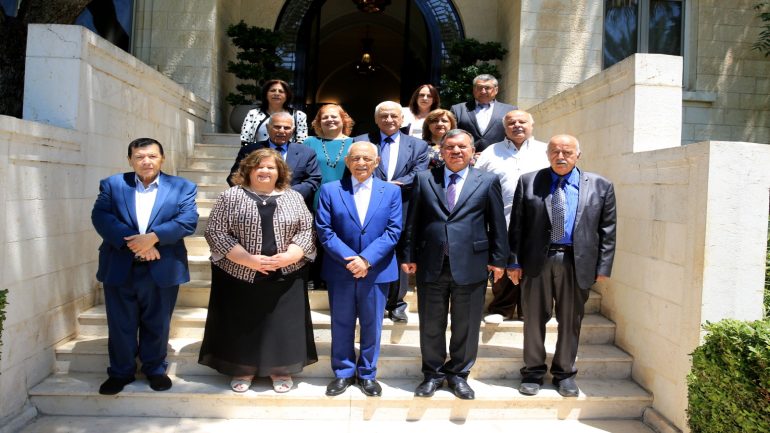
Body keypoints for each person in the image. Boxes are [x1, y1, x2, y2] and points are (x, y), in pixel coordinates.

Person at [400, 129, 508, 400]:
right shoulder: (425, 179)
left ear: (472, 151)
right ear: (441, 151)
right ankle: (433, 374)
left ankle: (459, 375)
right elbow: (413, 221)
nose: (456, 151)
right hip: (431, 262)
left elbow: (497, 223)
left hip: (471, 263)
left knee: (467, 325)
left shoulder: (487, 180)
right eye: (449, 147)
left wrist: (498, 260)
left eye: (462, 147)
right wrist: (408, 255)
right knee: (431, 324)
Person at [199, 148, 318, 394]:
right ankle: (243, 368)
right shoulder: (230, 196)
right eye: (259, 166)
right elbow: (215, 231)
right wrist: (248, 260)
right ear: (248, 170)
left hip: (286, 273)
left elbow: (307, 230)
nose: (265, 171)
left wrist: (291, 255)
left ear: (280, 172)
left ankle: (280, 369)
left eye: (270, 167)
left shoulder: (294, 197)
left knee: (282, 325)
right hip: (238, 274)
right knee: (243, 324)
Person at [507, 134, 616, 398]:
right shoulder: (529, 181)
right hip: (537, 261)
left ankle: (565, 374)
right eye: (555, 151)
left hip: (576, 262)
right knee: (533, 319)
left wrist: (603, 266)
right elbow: (517, 226)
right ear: (547, 154)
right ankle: (533, 372)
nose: (560, 157)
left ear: (578, 155)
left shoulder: (601, 185)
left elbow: (608, 229)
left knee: (570, 320)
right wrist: (514, 261)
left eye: (567, 152)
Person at [91, 138, 198, 395]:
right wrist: (138, 244)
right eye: (139, 157)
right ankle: (121, 372)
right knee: (120, 323)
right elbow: (101, 217)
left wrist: (154, 238)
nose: (146, 161)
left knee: (158, 323)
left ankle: (155, 369)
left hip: (163, 266)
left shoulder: (183, 187)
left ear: (162, 158)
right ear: (130, 160)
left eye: (152, 156)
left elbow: (187, 220)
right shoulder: (113, 184)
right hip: (120, 265)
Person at [315, 142, 402, 397]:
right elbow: (324, 230)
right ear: (347, 162)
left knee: (372, 325)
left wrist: (366, 260)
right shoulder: (330, 190)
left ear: (376, 162)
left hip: (376, 270)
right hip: (340, 269)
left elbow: (393, 230)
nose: (361, 163)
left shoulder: (391, 191)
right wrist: (351, 260)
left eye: (366, 158)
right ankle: (343, 372)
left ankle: (367, 374)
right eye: (355, 158)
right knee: (341, 323)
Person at [355, 101, 429, 323]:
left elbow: (419, 173)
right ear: (376, 119)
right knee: (368, 249)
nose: (389, 120)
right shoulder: (361, 141)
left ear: (402, 119)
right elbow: (356, 168)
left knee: (399, 253)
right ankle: (367, 301)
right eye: (384, 116)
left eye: (393, 116)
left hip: (403, 204)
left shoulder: (418, 145)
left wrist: (392, 186)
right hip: (366, 204)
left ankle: (396, 304)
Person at [474, 110, 549, 324]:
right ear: (504, 128)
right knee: (503, 263)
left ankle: (529, 309)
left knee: (534, 265)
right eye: (511, 122)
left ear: (531, 125)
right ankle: (502, 308)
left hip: (538, 221)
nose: (517, 125)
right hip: (501, 219)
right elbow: (477, 181)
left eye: (522, 121)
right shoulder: (491, 152)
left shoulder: (545, 150)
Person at [228, 112, 321, 210]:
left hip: (292, 207)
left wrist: (286, 194)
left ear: (293, 131)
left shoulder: (306, 152)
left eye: (286, 128)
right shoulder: (250, 151)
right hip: (255, 206)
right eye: (277, 127)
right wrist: (257, 194)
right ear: (268, 128)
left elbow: (313, 180)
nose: (281, 131)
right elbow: (235, 176)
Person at [450, 74, 517, 154]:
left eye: (487, 88)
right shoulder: (458, 109)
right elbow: (451, 135)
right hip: (466, 157)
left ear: (496, 90)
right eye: (479, 88)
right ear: (473, 90)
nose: (483, 91)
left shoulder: (510, 110)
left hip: (499, 156)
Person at [240, 79, 308, 144]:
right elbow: (245, 139)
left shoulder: (298, 115)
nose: (276, 94)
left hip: (289, 152)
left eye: (281, 91)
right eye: (273, 90)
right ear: (266, 94)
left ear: (287, 95)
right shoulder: (253, 114)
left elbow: (302, 141)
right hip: (258, 151)